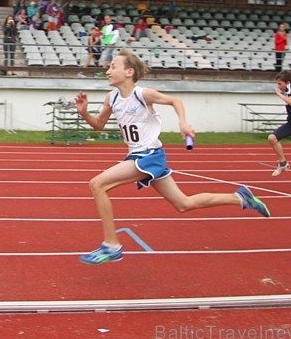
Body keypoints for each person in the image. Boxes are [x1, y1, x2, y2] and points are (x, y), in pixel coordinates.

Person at [74, 49, 271, 265]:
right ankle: (240, 197)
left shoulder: (143, 94)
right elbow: (99, 125)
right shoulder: (111, 98)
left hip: (149, 155)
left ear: (129, 72)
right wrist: (84, 113)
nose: (108, 70)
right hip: (139, 155)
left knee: (97, 184)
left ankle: (111, 246)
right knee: (183, 204)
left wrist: (183, 124)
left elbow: (175, 101)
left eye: (113, 66)